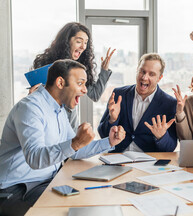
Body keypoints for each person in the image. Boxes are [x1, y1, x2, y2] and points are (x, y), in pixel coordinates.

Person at [0, 60, 126, 216]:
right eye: (80, 83)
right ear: (60, 82)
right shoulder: (30, 108)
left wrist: (109, 141)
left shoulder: (59, 110)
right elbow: (34, 158)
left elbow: (75, 150)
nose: (85, 90)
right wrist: (75, 143)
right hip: (17, 189)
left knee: (92, 201)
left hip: (46, 182)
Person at [31, 22, 116, 131]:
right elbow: (38, 97)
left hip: (70, 124)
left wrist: (104, 70)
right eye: (79, 41)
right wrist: (33, 95)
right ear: (66, 41)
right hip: (48, 122)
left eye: (86, 42)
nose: (83, 46)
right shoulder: (46, 66)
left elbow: (95, 94)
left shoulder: (79, 69)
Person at [98, 53, 177, 152]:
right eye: (142, 71)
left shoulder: (170, 104)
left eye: (151, 74)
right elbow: (103, 134)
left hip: (148, 162)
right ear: (137, 70)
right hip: (118, 158)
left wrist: (161, 136)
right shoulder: (118, 94)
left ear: (159, 78)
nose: (144, 77)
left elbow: (170, 148)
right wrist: (112, 120)